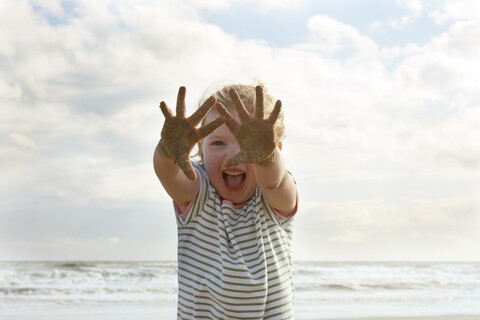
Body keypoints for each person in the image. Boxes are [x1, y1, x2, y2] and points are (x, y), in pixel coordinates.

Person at [153, 82, 298, 319]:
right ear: (199, 147)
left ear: (276, 150)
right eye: (218, 143)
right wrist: (167, 151)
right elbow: (169, 175)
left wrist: (267, 158)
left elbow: (275, 180)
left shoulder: (272, 200)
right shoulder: (199, 193)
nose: (233, 155)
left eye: (251, 144)